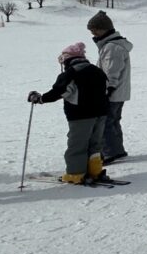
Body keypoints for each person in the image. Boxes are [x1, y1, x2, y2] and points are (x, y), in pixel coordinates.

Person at [27, 42, 109, 184]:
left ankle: (76, 174)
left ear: (66, 60)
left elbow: (59, 92)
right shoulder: (97, 70)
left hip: (81, 115)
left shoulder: (70, 74)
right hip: (101, 113)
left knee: (78, 144)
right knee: (94, 143)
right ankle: (95, 171)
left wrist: (40, 99)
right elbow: (108, 89)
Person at [87, 11, 132, 165]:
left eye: (94, 29)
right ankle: (117, 150)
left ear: (103, 29)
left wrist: (108, 89)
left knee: (106, 123)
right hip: (118, 92)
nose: (92, 33)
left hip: (113, 92)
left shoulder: (112, 47)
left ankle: (110, 153)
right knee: (113, 121)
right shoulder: (111, 45)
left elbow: (112, 71)